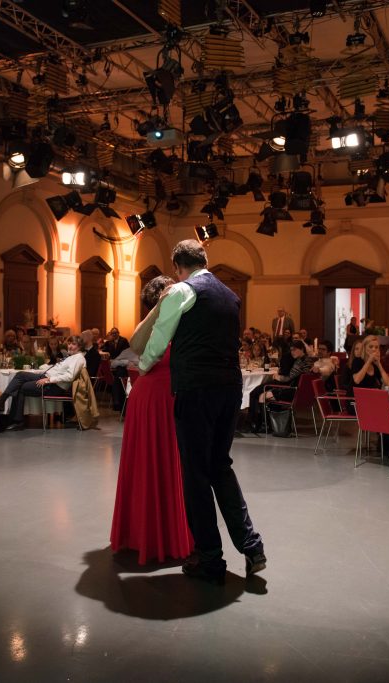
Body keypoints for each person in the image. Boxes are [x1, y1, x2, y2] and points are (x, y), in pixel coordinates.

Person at [139, 239, 265, 584]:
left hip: (196, 390)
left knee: (195, 476)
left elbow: (159, 337)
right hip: (230, 389)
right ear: (204, 261)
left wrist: (144, 365)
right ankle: (253, 547)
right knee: (220, 466)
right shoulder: (230, 295)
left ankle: (210, 559)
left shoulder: (182, 291)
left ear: (178, 266)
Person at [110, 276, 193, 564]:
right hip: (154, 398)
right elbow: (135, 345)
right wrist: (158, 308)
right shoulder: (155, 325)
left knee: (169, 463)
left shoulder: (180, 322)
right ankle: (151, 535)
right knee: (152, 464)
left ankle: (160, 535)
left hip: (165, 396)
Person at [0, 335, 86, 430]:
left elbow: (70, 376)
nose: (70, 346)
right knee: (20, 375)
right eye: (69, 344)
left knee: (20, 387)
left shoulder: (78, 358)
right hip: (47, 377)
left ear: (80, 346)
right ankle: (2, 403)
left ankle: (15, 420)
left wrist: (48, 380)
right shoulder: (72, 357)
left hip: (53, 386)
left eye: (73, 344)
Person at [248, 339, 310, 434]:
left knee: (261, 395)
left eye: (294, 350)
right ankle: (267, 424)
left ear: (302, 349)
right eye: (291, 350)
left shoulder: (300, 362)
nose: (292, 352)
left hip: (292, 391)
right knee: (263, 392)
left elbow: (287, 378)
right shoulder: (308, 360)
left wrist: (277, 376)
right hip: (300, 391)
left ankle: (266, 425)